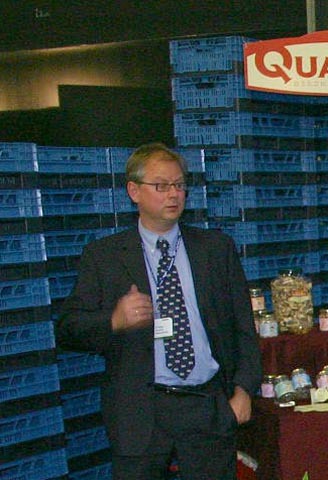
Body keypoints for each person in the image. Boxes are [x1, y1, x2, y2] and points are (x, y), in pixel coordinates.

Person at [55, 142, 262, 480]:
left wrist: (243, 390)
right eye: (161, 185)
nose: (174, 194)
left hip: (207, 405)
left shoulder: (215, 249)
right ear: (134, 191)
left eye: (179, 185)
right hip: (141, 409)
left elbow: (243, 327)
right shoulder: (105, 256)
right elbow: (67, 329)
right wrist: (114, 320)